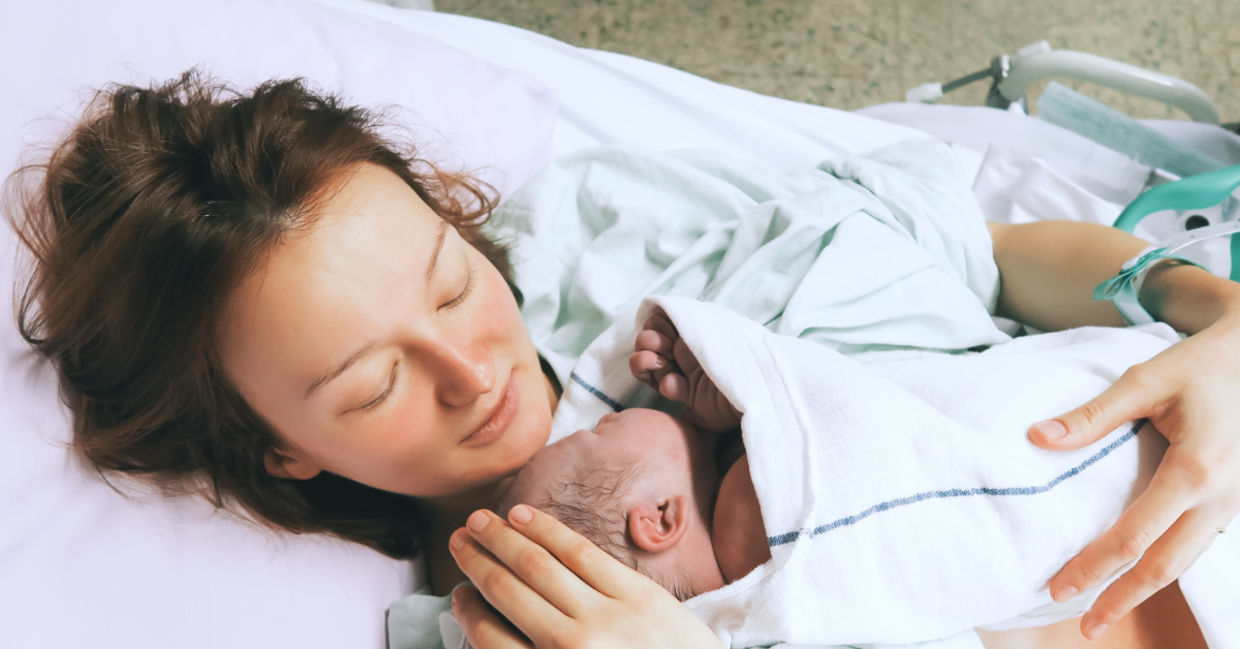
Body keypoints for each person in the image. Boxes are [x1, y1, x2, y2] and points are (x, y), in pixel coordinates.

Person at [5, 71, 1238, 649]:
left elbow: (994, 249)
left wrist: (1208, 317)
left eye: (450, 276)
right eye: (373, 384)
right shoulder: (500, 622)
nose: (472, 366)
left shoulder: (620, 241)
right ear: (278, 444)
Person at [490, 303, 1208, 647]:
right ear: (658, 519)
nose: (605, 412)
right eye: (602, 427)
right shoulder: (752, 495)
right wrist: (752, 396)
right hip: (1125, 460)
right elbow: (826, 413)